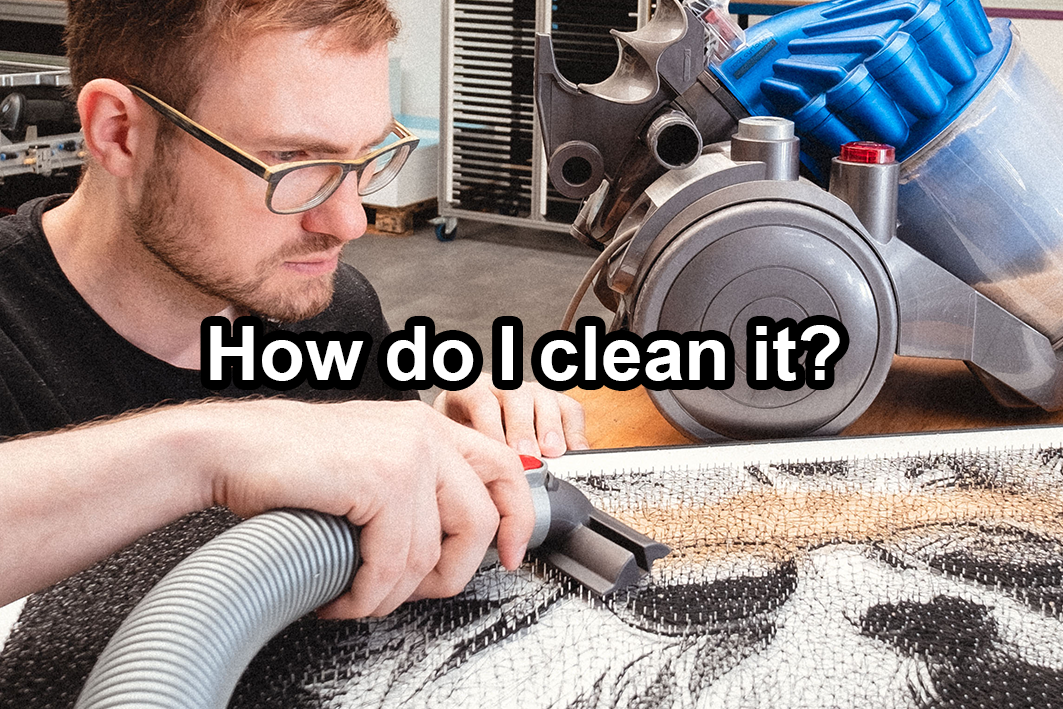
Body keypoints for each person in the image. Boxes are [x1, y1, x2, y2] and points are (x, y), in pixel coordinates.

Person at [0, 0, 587, 621]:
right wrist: (210, 453)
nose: (349, 221)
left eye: (365, 157)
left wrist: (452, 455)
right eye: (295, 162)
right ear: (120, 132)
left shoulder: (332, 311)